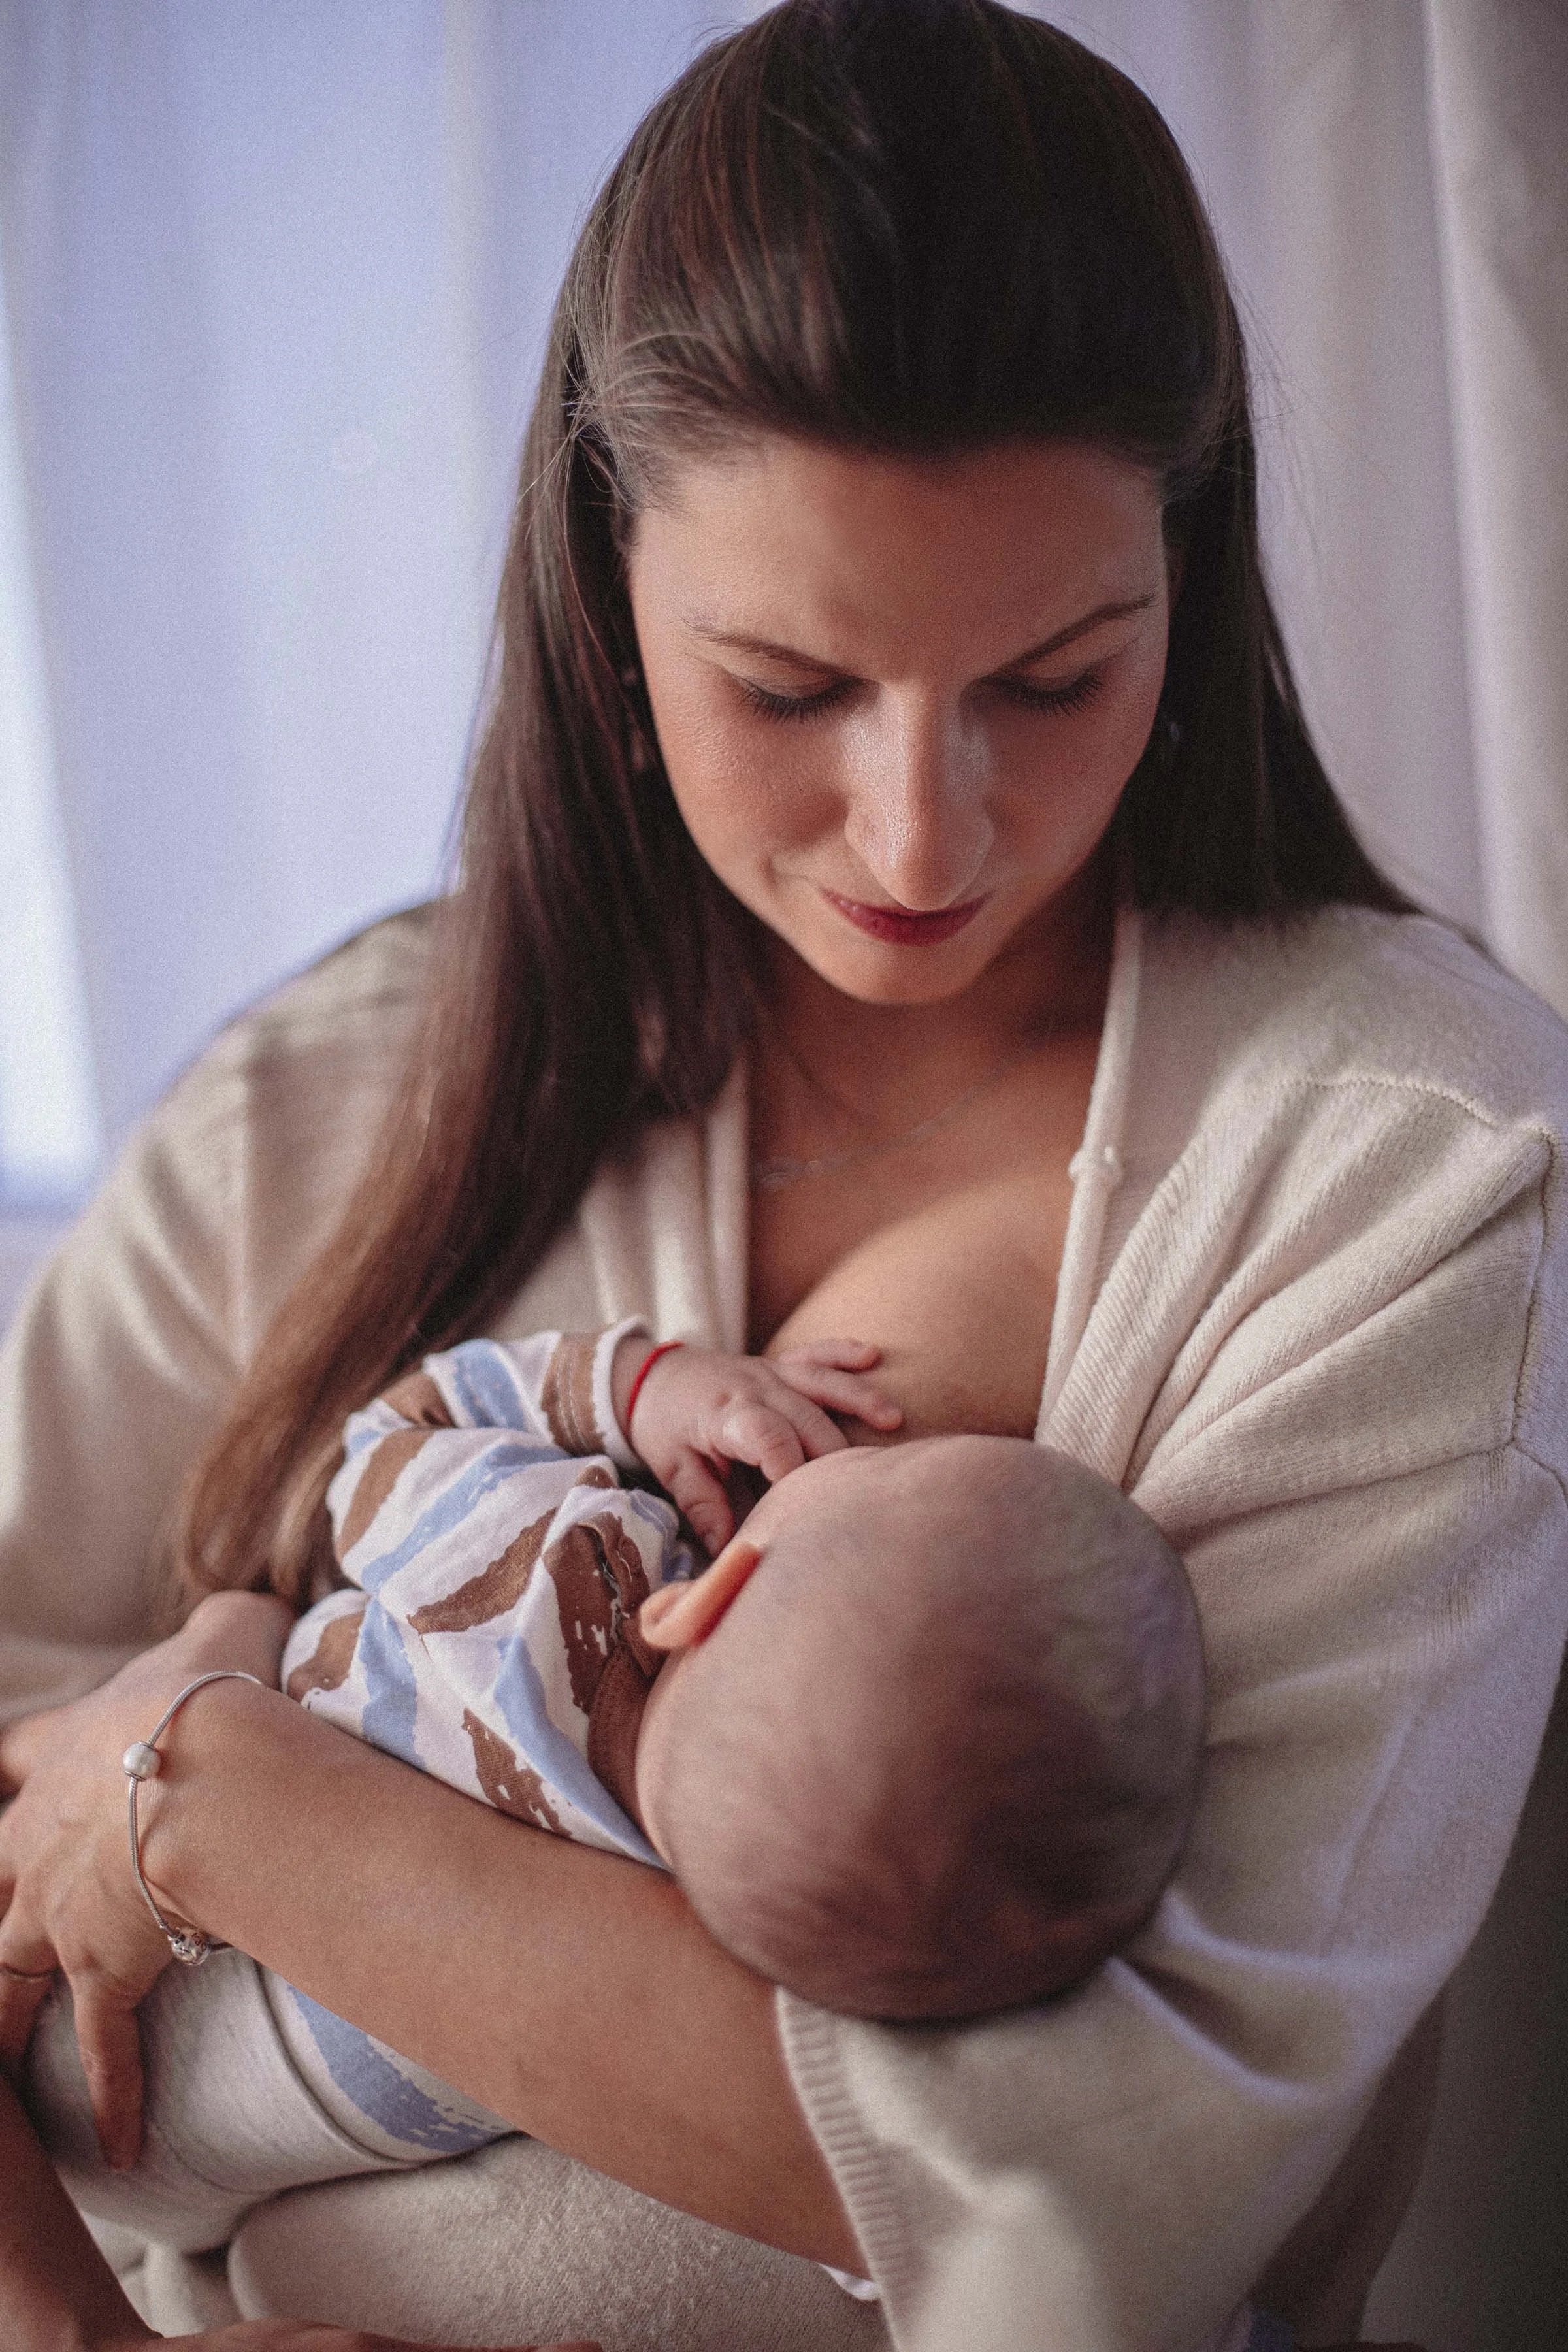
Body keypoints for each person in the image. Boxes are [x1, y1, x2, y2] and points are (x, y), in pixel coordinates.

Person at [2, 2, 1565, 2347]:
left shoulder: (1401, 1156)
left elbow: (1112, 2193)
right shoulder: (324, 1104)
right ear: (613, 616)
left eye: (1056, 677)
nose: (926, 838)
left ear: (1192, 578)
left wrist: (227, 1801)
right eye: (793, 687)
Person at [20, 1277, 1204, 2268]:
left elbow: (392, 1437)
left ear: (710, 1592)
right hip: (244, 2125)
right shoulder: (703, 1923)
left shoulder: (546, 1576)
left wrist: (645, 1386)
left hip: (82, 1975)